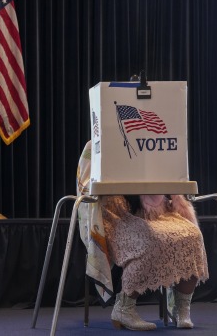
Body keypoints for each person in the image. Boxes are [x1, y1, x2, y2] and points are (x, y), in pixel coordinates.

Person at [77, 141, 209, 331]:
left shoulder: (154, 141)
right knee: (150, 240)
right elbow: (87, 182)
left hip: (156, 213)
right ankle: (124, 307)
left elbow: (171, 172)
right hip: (115, 214)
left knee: (192, 234)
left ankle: (181, 307)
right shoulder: (97, 143)